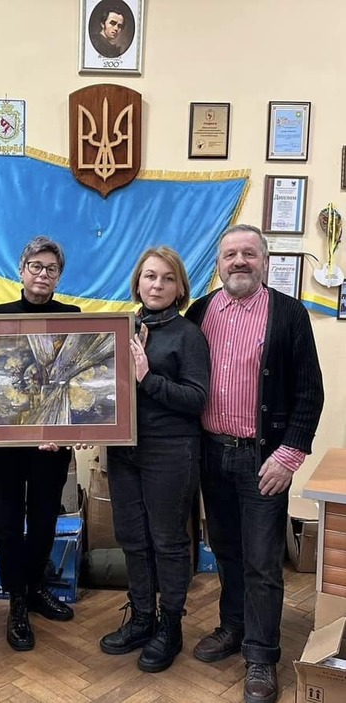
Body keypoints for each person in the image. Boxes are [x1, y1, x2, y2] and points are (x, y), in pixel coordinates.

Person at [186, 224, 324, 703]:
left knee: (263, 561)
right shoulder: (200, 311)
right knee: (226, 550)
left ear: (264, 261)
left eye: (249, 253)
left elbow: (309, 393)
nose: (239, 261)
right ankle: (234, 627)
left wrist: (288, 457)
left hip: (262, 460)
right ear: (218, 264)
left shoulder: (289, 314)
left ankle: (262, 656)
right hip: (211, 454)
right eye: (230, 254)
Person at [0, 236, 79, 652]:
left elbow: (75, 382)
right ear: (21, 271)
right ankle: (17, 601)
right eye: (36, 267)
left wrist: (68, 431)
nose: (43, 274)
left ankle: (37, 586)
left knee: (44, 519)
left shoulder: (73, 318)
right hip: (4, 444)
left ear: (59, 277)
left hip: (51, 444)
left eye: (51, 269)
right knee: (7, 522)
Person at [99, 246, 210, 673]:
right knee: (131, 537)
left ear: (180, 287)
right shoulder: (122, 328)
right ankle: (142, 617)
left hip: (170, 449)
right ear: (137, 282)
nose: (157, 285)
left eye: (167, 278)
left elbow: (196, 399)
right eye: (150, 276)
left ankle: (171, 625)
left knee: (168, 540)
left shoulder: (188, 335)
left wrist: (147, 378)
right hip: (124, 450)